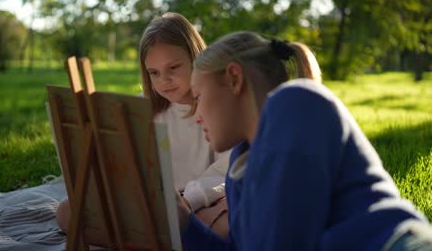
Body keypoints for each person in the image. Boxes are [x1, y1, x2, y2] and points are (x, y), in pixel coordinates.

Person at [177, 31, 431, 250]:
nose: (196, 115)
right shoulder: (238, 168)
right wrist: (182, 222)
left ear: (234, 78)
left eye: (198, 96)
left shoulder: (295, 103)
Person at [56, 12, 230, 244]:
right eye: (154, 73)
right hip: (149, 205)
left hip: (200, 204)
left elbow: (225, 172)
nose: (163, 80)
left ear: (196, 58)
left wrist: (189, 200)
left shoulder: (220, 106)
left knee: (226, 226)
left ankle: (152, 239)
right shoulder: (141, 108)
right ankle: (161, 240)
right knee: (67, 212)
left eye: (173, 68)